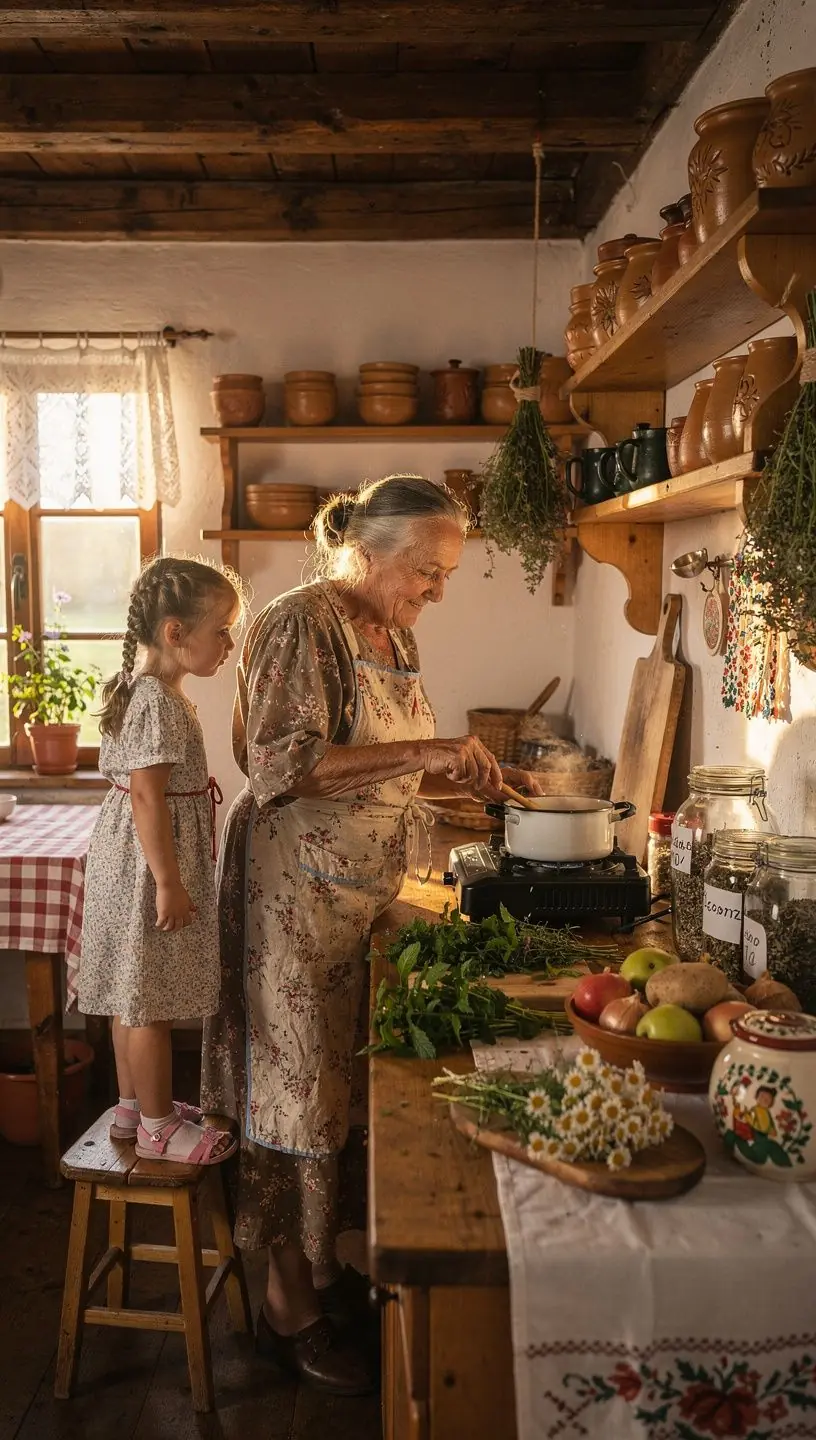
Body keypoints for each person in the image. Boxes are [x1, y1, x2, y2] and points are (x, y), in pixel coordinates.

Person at [201, 474, 543, 1392]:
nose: (436, 590)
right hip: (292, 899)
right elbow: (280, 766)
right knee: (293, 1092)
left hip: (356, 895)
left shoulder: (391, 632)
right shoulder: (298, 622)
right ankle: (288, 1309)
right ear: (368, 549)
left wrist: (469, 773)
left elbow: (376, 763)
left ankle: (323, 1269)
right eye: (425, 571)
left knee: (342, 1088)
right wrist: (428, 751)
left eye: (445, 575)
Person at [79, 556, 243, 1167]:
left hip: (127, 858)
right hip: (149, 866)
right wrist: (169, 883)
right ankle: (157, 1127)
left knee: (132, 994)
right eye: (221, 630)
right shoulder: (160, 704)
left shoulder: (139, 688)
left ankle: (131, 1107)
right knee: (148, 1004)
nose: (228, 643)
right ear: (176, 632)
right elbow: (148, 795)